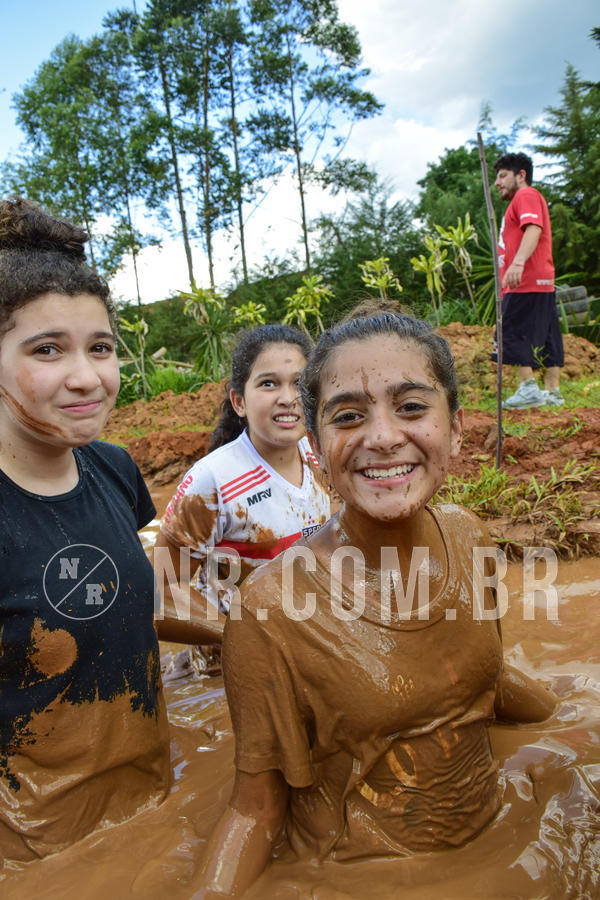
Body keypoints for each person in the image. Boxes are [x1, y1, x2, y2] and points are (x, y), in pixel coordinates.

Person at [195, 311, 557, 898]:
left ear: (457, 428)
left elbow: (479, 684)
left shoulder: (470, 538)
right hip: (360, 878)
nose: (383, 436)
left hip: (499, 847)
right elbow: (255, 813)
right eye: (348, 416)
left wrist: (571, 720)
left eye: (411, 407)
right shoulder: (271, 611)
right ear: (315, 446)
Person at [0, 197, 217, 863]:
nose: (87, 377)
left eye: (101, 348)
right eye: (47, 350)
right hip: (44, 850)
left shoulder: (112, 467)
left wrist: (239, 635)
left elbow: (124, 602)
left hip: (154, 804)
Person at [153, 325, 331, 643]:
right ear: (239, 402)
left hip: (304, 634)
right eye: (268, 383)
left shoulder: (321, 453)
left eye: (299, 384)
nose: (288, 398)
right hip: (228, 653)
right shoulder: (211, 483)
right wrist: (238, 640)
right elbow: (161, 590)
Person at [493, 151, 564, 409]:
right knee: (547, 335)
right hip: (539, 279)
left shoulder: (525, 195)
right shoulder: (527, 198)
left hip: (524, 280)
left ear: (520, 175)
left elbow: (533, 228)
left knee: (509, 332)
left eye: (503, 176)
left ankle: (528, 389)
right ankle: (552, 391)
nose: (497, 183)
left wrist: (519, 262)